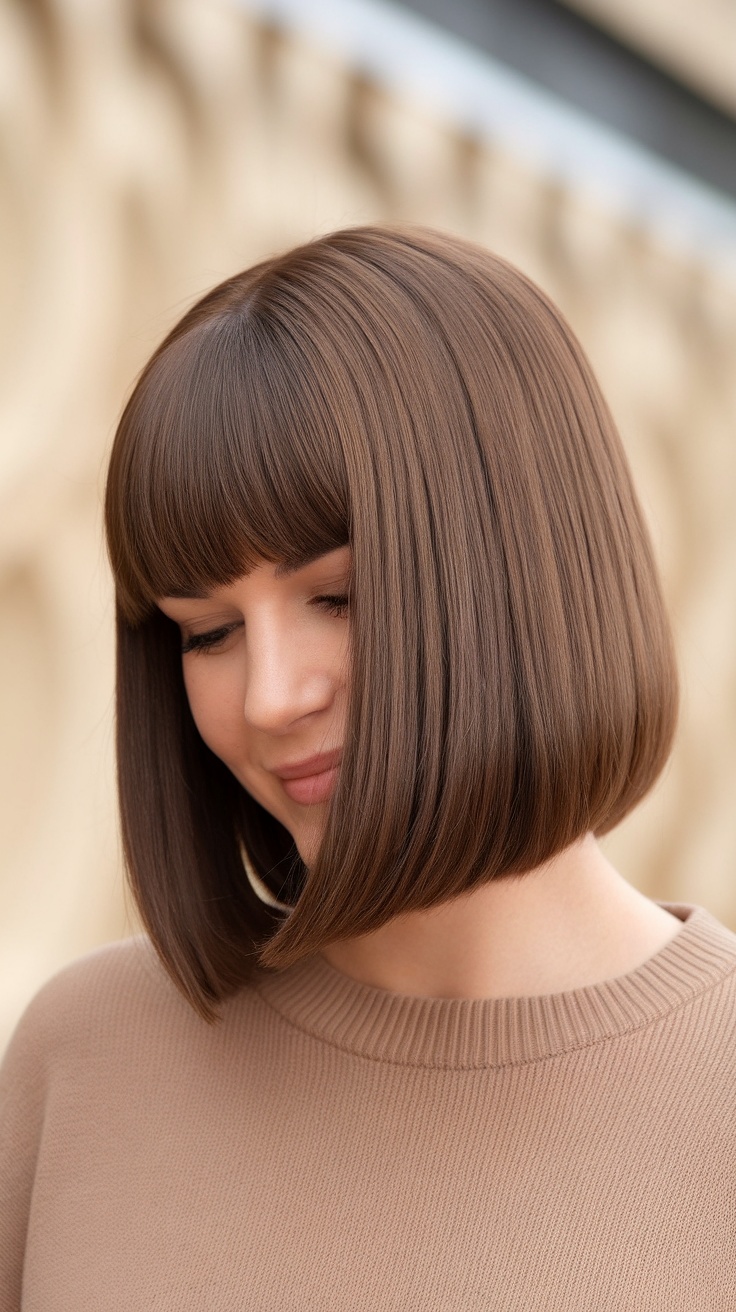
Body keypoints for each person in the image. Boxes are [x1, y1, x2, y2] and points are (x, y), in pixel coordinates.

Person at [1, 226, 734, 1310]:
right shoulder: (89, 1058)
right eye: (206, 632)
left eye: (334, 598)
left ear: (523, 571)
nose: (269, 696)